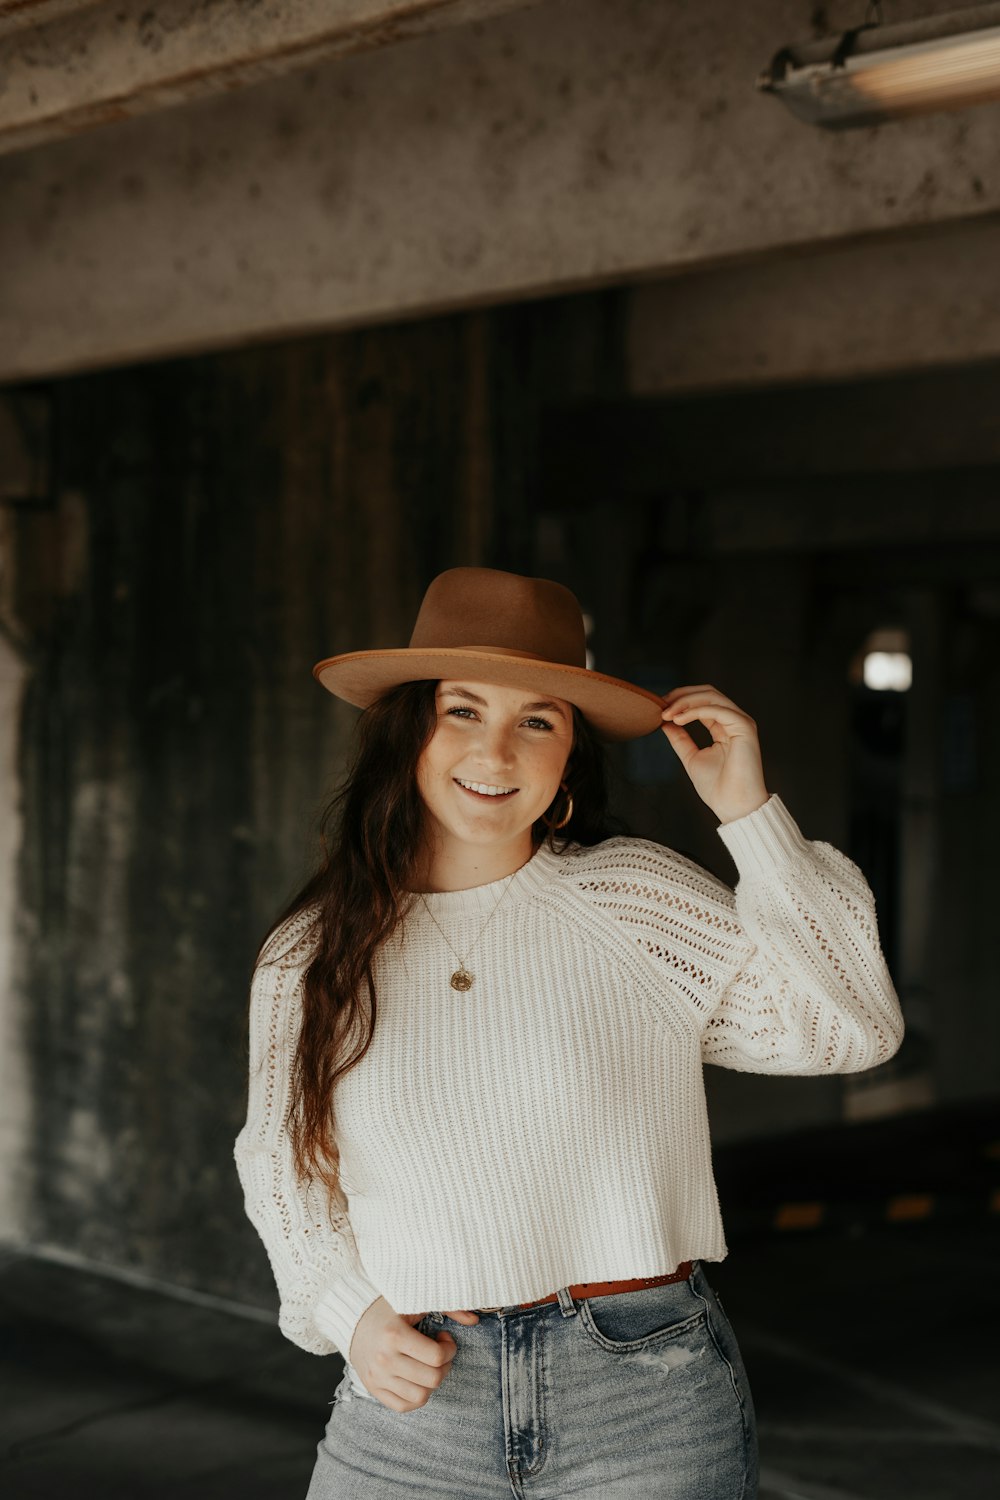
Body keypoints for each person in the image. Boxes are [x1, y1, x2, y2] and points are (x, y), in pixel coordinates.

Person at [234, 566, 903, 1500]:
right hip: (414, 1409)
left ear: (566, 761)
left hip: (645, 1398)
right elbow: (281, 1164)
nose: (496, 750)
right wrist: (351, 1314)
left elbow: (849, 1030)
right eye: (462, 711)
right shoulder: (311, 954)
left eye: (536, 721)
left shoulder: (632, 901)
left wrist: (750, 815)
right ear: (408, 731)